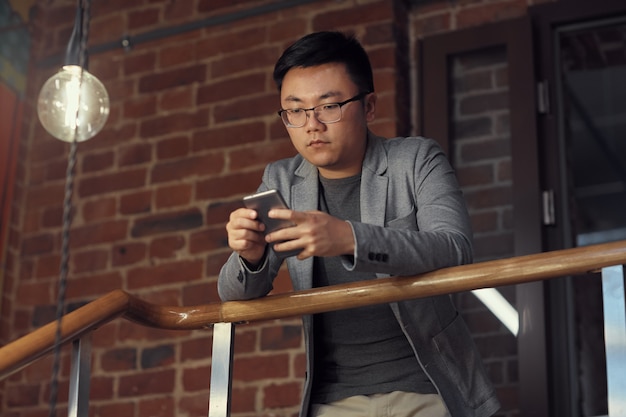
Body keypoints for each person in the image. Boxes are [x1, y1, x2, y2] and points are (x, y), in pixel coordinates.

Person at [218, 31, 500, 417]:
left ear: (368, 107)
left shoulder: (415, 159)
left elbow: (455, 248)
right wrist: (249, 256)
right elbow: (235, 295)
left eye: (329, 106)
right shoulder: (281, 181)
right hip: (333, 400)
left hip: (429, 389)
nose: (311, 125)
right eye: (295, 111)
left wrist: (349, 239)